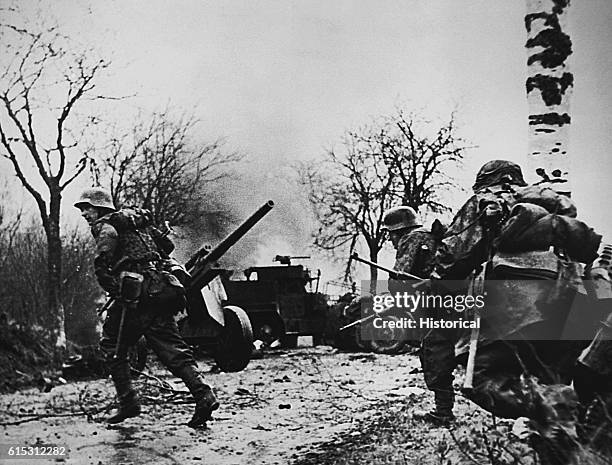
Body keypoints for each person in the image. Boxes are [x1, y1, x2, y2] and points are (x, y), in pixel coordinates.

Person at [75, 187, 219, 427]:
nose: (84, 214)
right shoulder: (136, 222)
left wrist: (116, 289)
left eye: (86, 208)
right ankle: (204, 394)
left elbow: (101, 264)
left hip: (136, 297)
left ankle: (128, 402)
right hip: (160, 291)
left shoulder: (106, 227)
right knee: (173, 349)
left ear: (100, 208)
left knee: (112, 345)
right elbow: (168, 247)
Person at [383, 206, 456, 425]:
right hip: (449, 301)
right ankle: (444, 409)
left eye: (390, 234)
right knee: (439, 354)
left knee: (434, 355)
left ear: (398, 231)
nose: (389, 240)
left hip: (434, 306)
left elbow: (398, 277)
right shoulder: (430, 237)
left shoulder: (411, 239)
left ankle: (444, 413)